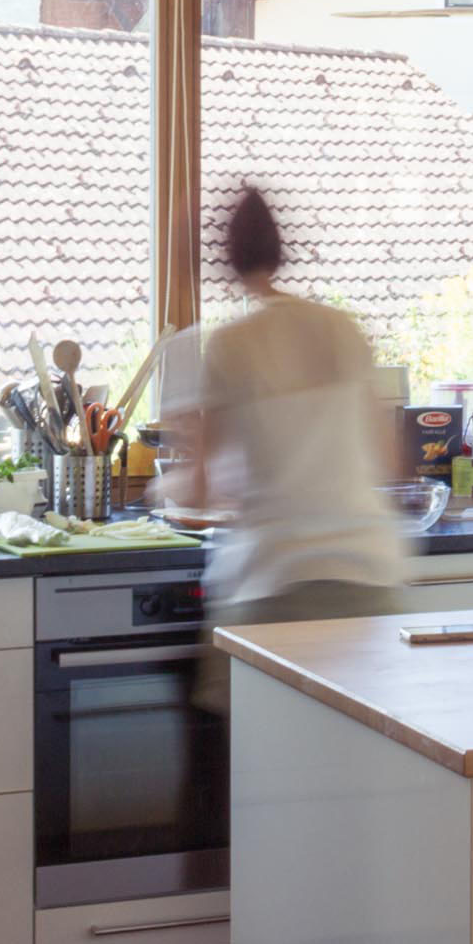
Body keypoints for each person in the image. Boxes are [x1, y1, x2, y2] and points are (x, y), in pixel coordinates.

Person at [160, 187, 407, 685]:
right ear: (281, 248)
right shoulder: (341, 328)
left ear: (227, 260)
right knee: (355, 729)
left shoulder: (232, 345)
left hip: (275, 583)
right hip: (369, 575)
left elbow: (200, 490)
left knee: (240, 727)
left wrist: (169, 478)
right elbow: (389, 458)